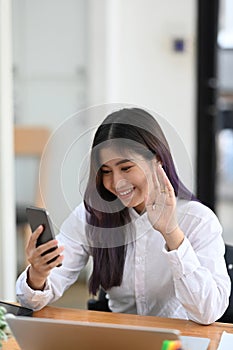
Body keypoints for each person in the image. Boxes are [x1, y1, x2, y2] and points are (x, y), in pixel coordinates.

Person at [16, 107, 231, 324]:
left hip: (179, 341)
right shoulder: (93, 215)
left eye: (126, 168)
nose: (116, 183)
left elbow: (209, 312)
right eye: (106, 171)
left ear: (157, 160)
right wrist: (38, 274)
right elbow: (31, 299)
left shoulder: (198, 220)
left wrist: (172, 233)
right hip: (119, 338)